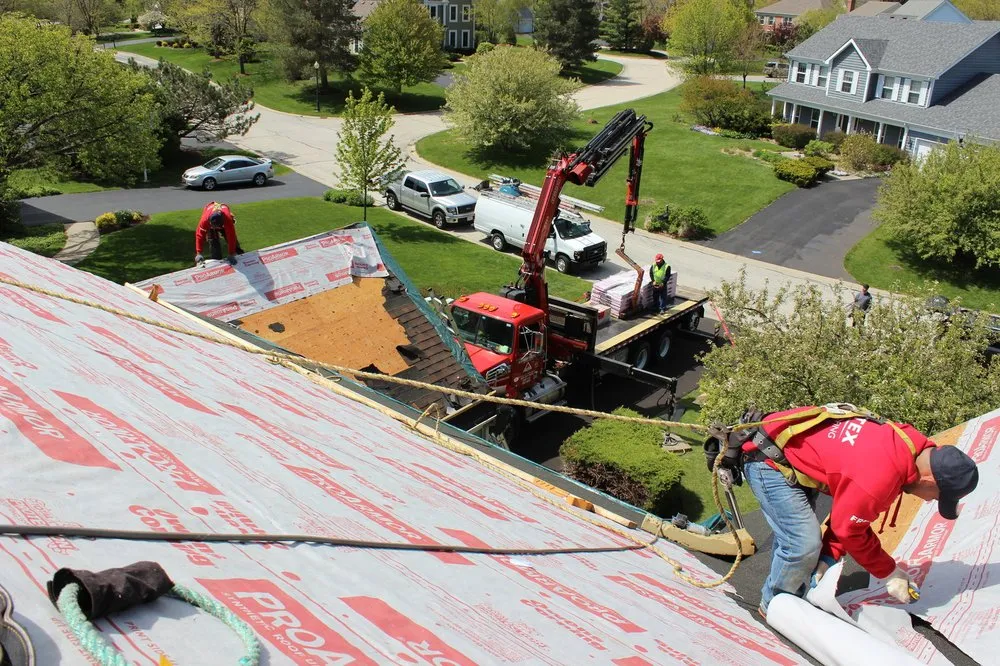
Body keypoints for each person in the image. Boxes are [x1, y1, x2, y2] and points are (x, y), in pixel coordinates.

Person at [710, 405, 979, 618]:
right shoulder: (880, 475)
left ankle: (792, 585)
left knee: (805, 544)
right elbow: (850, 530)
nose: (932, 502)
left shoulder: (909, 444)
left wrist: (828, 556)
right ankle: (776, 607)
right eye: (937, 497)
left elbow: (849, 510)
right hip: (767, 459)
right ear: (931, 480)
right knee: (802, 544)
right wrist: (889, 572)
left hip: (793, 453)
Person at [195, 202, 244, 266]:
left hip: (223, 222)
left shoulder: (227, 219)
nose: (216, 228)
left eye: (217, 227)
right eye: (214, 226)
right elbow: (199, 235)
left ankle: (240, 256)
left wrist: (231, 253)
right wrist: (199, 253)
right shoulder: (205, 220)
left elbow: (231, 237)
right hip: (210, 218)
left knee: (234, 244)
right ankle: (216, 262)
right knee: (213, 242)